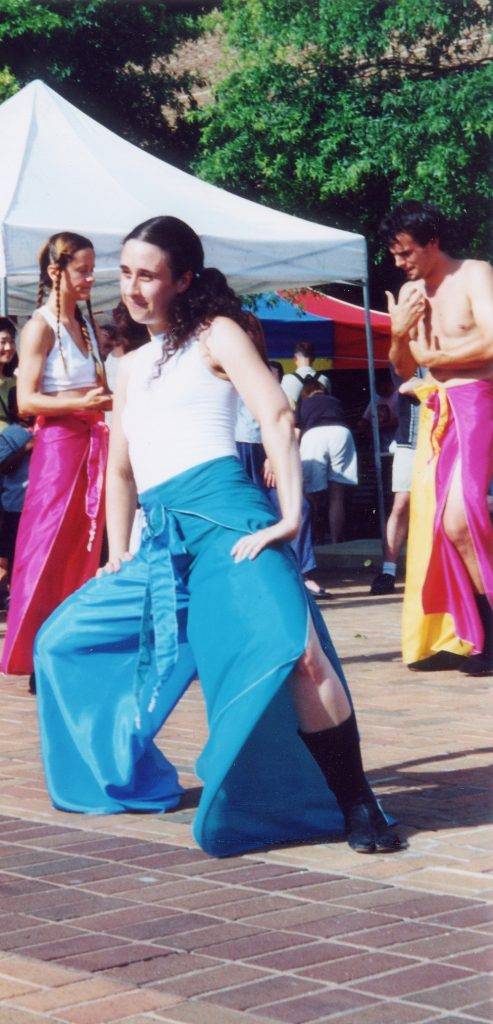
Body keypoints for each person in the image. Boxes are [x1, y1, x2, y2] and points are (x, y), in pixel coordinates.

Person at [33, 215, 400, 857]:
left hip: (231, 525)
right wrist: (118, 554)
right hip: (159, 545)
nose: (133, 287)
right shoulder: (125, 366)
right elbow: (120, 471)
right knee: (60, 641)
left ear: (184, 280)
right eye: (127, 273)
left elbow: (277, 413)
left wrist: (290, 517)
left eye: (148, 275)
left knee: (299, 652)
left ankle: (357, 803)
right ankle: (132, 778)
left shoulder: (216, 334)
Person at [381, 200, 493, 675]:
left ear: (432, 243)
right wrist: (399, 334)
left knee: (462, 516)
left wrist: (434, 357)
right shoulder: (411, 293)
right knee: (439, 527)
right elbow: (405, 366)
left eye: (407, 253)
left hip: (478, 401)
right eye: (395, 255)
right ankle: (471, 633)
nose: (401, 264)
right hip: (438, 411)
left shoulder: (474, 274)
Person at [0, 231, 111, 689]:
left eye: (90, 269)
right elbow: (26, 401)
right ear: (55, 272)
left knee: (84, 549)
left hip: (90, 445)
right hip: (58, 449)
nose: (89, 278)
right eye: (81, 270)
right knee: (44, 547)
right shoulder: (39, 326)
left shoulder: (83, 325)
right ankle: (33, 649)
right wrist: (83, 402)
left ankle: (68, 646)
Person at [370, 367, 424, 595]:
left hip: (447, 438)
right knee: (401, 503)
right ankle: (388, 571)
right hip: (410, 441)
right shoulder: (406, 350)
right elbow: (406, 386)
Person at [298, 377, 358, 544]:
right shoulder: (335, 401)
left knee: (311, 493)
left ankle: (314, 536)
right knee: (337, 494)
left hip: (314, 435)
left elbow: (297, 431)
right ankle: (335, 540)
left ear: (305, 393)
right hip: (341, 433)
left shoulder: (304, 404)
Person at [281, 340, 331, 410]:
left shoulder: (286, 379)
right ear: (314, 359)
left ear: (294, 359)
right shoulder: (324, 380)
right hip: (319, 420)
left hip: (297, 420)